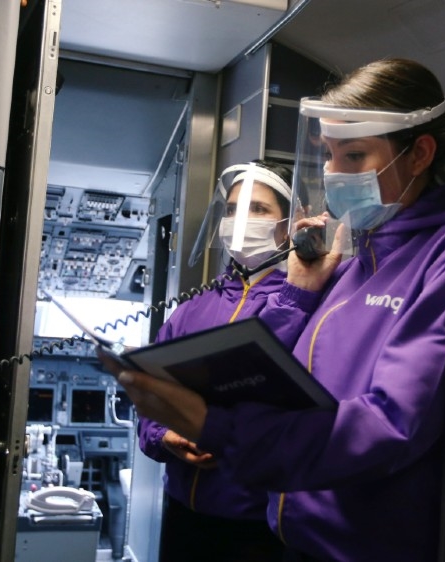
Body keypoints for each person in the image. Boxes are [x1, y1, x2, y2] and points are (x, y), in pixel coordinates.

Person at [101, 57, 445, 561]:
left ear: (419, 154)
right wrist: (302, 290)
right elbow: (275, 380)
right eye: (328, 156)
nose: (333, 174)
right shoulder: (354, 255)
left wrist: (217, 427)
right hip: (295, 537)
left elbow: (392, 423)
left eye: (352, 155)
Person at [139, 159, 296, 562]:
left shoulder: (301, 306)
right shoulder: (192, 310)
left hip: (255, 524)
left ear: (291, 221)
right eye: (231, 210)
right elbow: (151, 394)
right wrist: (163, 437)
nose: (239, 220)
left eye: (257, 209)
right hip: (182, 512)